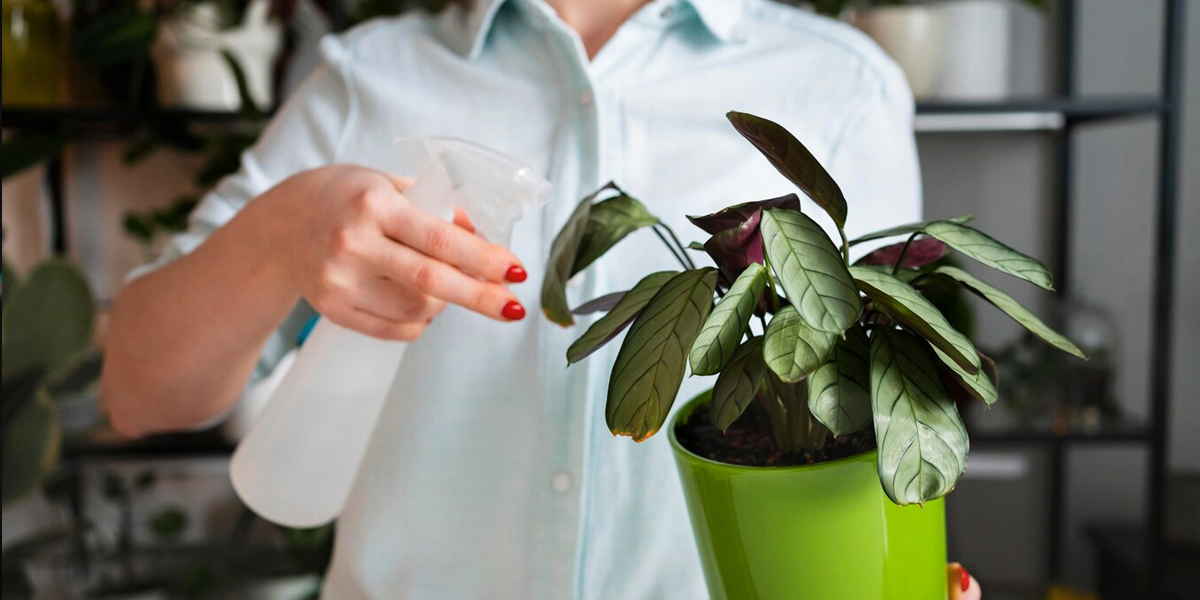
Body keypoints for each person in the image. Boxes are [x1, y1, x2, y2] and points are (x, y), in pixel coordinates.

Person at [102, 0, 981, 597]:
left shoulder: (840, 86)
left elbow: (873, 442)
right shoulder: (364, 79)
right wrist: (279, 232)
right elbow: (139, 393)